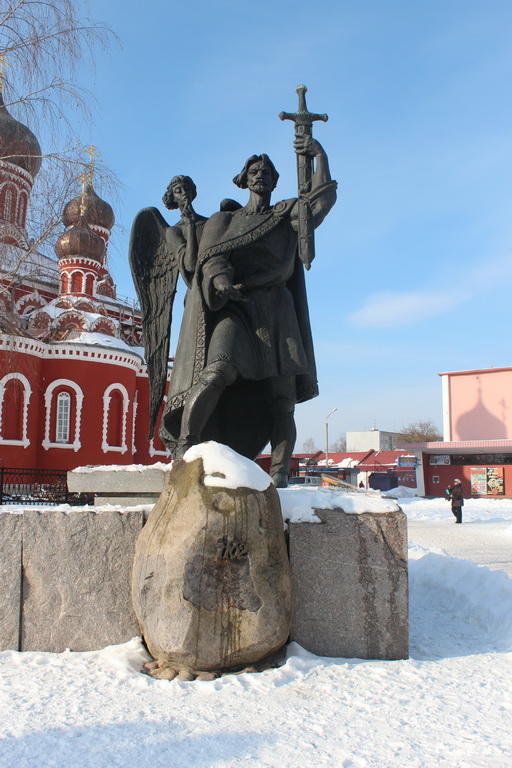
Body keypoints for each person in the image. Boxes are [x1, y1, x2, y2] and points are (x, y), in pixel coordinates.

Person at [160, 135, 337, 486]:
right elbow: (209, 261)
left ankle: (279, 474)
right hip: (235, 307)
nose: (261, 176)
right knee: (215, 373)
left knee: (282, 401)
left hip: (276, 312)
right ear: (243, 179)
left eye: (268, 172)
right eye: (255, 171)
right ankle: (186, 447)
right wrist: (222, 281)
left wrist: (319, 156)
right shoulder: (223, 222)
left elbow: (318, 204)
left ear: (274, 181)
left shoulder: (285, 216)